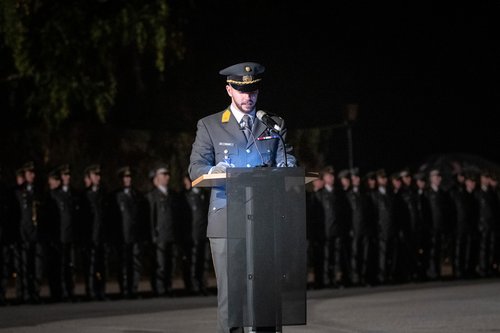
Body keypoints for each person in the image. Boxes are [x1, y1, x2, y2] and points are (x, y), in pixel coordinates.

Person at [189, 62, 296, 333]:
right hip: (227, 219)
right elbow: (195, 168)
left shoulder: (273, 123)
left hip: (264, 219)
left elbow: (286, 159)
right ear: (229, 90)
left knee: (265, 291)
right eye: (241, 90)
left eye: (253, 90)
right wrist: (215, 170)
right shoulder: (210, 125)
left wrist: (288, 169)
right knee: (232, 293)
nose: (248, 96)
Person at [113, 166, 148, 299]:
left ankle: (133, 289)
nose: (127, 180)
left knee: (135, 263)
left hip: (135, 236)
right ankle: (124, 289)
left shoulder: (137, 195)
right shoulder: (115, 196)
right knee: (123, 264)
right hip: (121, 236)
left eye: (128, 177)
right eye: (124, 177)